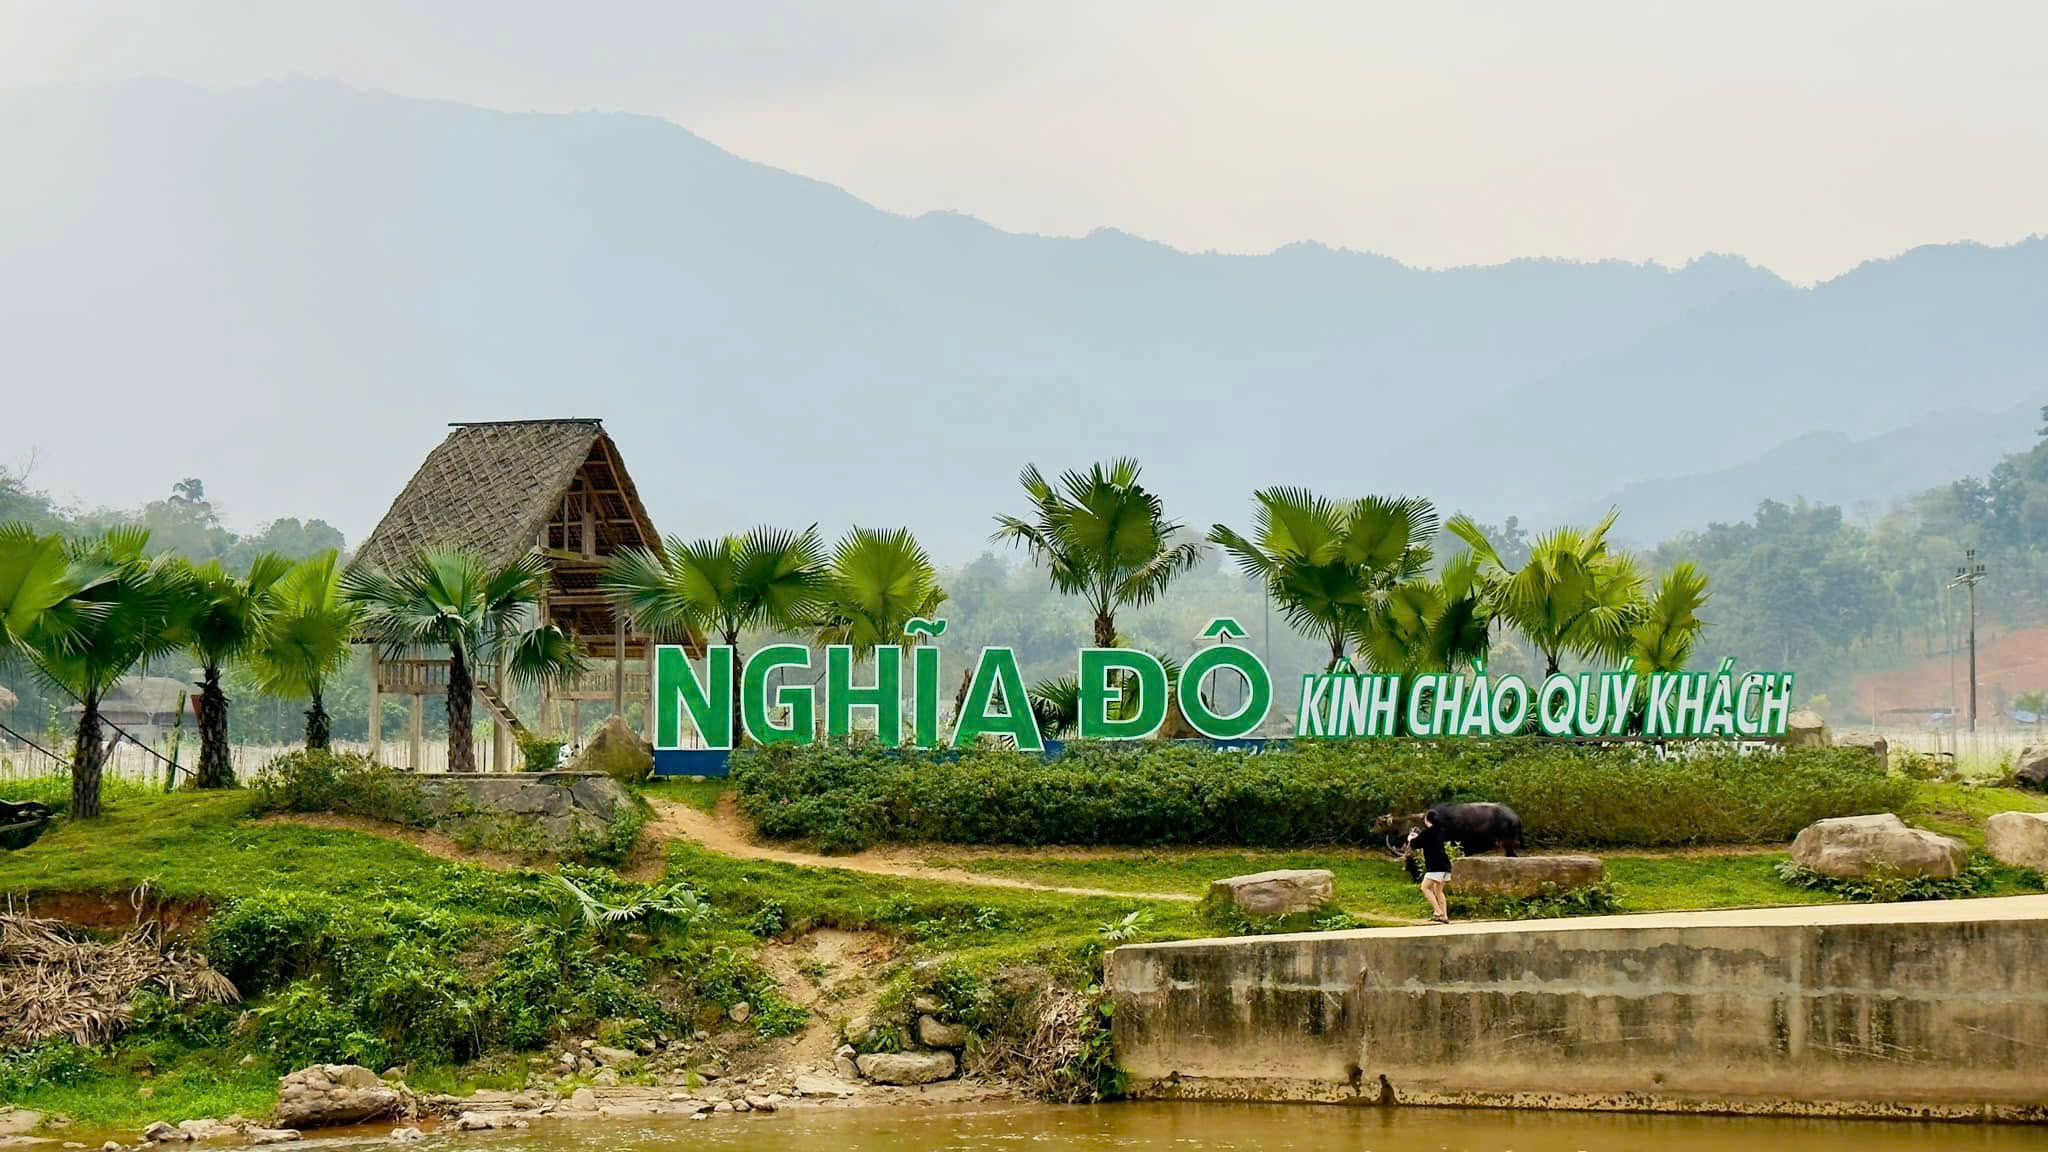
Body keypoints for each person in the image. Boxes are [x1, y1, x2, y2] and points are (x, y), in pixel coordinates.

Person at [1406, 813, 1453, 924]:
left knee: (1425, 888)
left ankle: (1438, 911)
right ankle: (1444, 916)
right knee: (1438, 891)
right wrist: (1417, 837)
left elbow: (1415, 844)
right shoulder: (1440, 831)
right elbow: (1425, 841)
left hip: (1435, 866)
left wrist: (1410, 838)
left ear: (1427, 820)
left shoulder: (1428, 832)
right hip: (1445, 865)